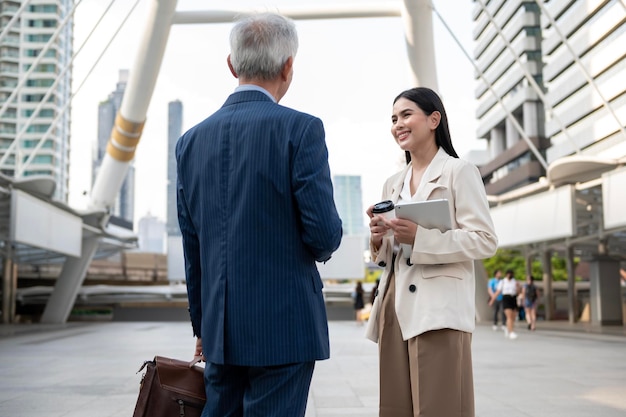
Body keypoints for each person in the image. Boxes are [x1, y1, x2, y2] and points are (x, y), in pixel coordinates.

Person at [175, 12, 343, 417]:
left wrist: (203, 326)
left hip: (220, 330)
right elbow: (324, 236)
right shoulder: (301, 130)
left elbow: (192, 246)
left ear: (232, 65)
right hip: (283, 329)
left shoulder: (190, 142)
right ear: (289, 66)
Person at [365, 87, 498, 417]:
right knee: (395, 407)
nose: (398, 124)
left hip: (439, 308)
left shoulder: (459, 172)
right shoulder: (392, 183)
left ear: (434, 119)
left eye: (406, 115)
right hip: (395, 307)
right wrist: (379, 238)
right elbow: (387, 257)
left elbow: (484, 239)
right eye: (394, 119)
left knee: (440, 407)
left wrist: (421, 238)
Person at [489, 269, 520, 340]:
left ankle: (509, 329)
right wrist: (492, 300)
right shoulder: (503, 282)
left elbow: (518, 293)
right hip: (506, 298)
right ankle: (511, 332)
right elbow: (497, 292)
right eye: (509, 274)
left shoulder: (514, 282)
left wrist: (518, 287)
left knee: (513, 317)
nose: (510, 275)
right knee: (508, 316)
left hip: (513, 298)